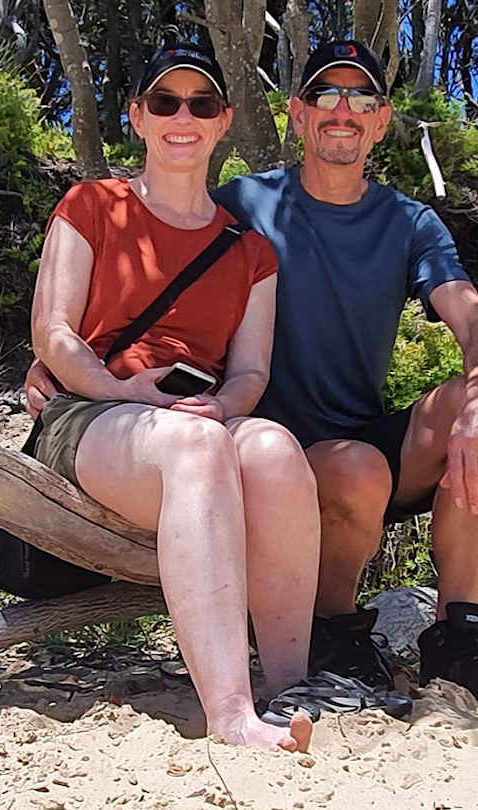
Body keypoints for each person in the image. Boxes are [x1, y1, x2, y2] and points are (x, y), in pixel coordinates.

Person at [27, 40, 478, 713]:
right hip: (274, 445)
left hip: (339, 436)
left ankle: (458, 635)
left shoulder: (405, 222)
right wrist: (61, 357)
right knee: (352, 468)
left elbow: (474, 322)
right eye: (326, 95)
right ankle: (333, 631)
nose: (342, 110)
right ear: (297, 114)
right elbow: (151, 261)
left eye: (360, 98)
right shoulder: (242, 207)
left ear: (381, 119)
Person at [28, 44, 321, 752]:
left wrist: (222, 406)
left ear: (222, 122)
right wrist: (118, 388)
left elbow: (250, 373)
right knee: (195, 447)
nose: (181, 117)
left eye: (200, 104)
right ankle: (230, 715)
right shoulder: (91, 205)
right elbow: (54, 331)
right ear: (138, 117)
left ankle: (291, 685)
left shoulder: (251, 252)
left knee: (275, 449)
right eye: (165, 102)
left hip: (197, 420)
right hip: (90, 416)